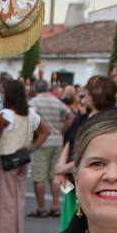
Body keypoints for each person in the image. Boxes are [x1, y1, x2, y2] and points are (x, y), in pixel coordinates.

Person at [0, 79, 49, 233]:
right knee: (18, 201)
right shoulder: (31, 114)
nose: (1, 95)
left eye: (2, 92)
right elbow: (45, 131)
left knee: (6, 202)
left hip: (7, 159)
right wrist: (32, 147)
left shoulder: (5, 115)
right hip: (23, 158)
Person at [29, 78, 70, 219]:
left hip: (42, 141)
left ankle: (41, 208)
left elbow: (30, 119)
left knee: (39, 176)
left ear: (36, 89)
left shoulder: (34, 102)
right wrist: (62, 130)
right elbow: (70, 115)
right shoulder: (56, 101)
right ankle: (55, 206)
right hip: (57, 140)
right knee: (54, 176)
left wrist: (34, 135)